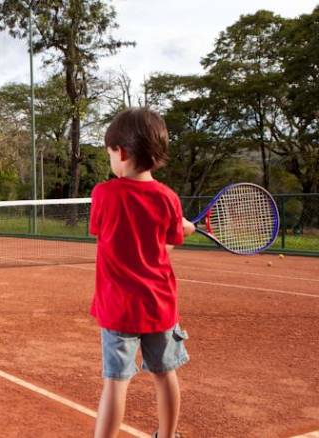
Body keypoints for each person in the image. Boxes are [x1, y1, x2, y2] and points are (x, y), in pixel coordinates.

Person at [89, 108, 196, 438]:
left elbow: (111, 239)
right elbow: (162, 250)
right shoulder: (169, 199)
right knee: (166, 375)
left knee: (115, 383)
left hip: (118, 309)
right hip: (158, 307)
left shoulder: (103, 195)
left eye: (109, 153)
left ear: (120, 152)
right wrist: (183, 230)